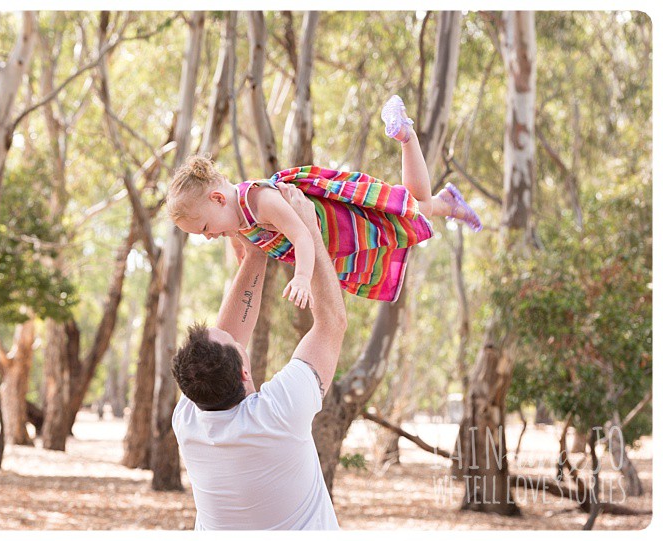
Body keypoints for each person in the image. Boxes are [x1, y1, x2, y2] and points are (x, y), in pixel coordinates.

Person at [166, 94, 482, 307]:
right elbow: (240, 244)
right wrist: (241, 262)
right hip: (339, 235)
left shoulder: (259, 200)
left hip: (343, 218)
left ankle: (406, 135)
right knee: (420, 209)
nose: (209, 236)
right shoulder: (234, 218)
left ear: (218, 197)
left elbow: (302, 235)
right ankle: (449, 202)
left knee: (417, 206)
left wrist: (303, 278)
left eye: (205, 227)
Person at [171, 183, 347, 530]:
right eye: (237, 345)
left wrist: (255, 254)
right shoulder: (279, 411)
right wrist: (308, 228)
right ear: (243, 375)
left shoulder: (191, 424)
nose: (238, 338)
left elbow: (219, 354)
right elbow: (332, 324)